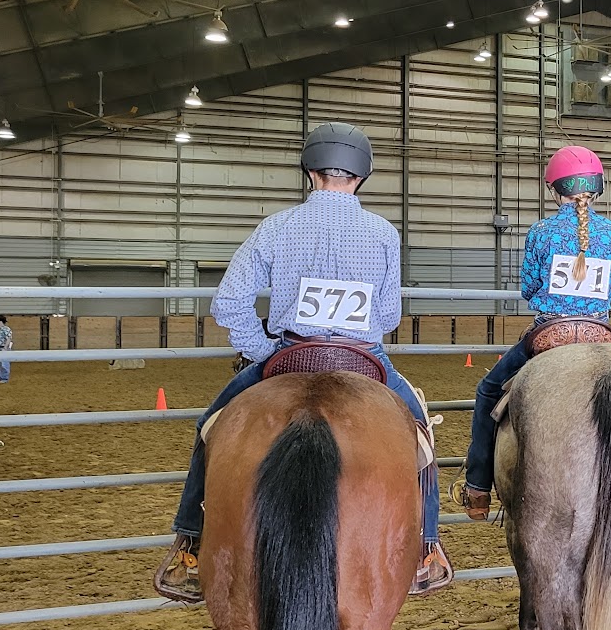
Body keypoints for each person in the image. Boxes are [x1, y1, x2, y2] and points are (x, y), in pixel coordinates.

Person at [156, 122, 451, 604]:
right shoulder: (381, 232)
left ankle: (189, 543)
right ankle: (426, 548)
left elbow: (229, 302)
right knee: (418, 433)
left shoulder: (275, 227)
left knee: (211, 427)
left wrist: (264, 349)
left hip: (291, 353)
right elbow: (389, 315)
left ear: (310, 172)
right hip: (362, 357)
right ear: (362, 176)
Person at [460, 146, 611, 520]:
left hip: (551, 333)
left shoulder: (541, 231)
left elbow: (530, 289)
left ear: (554, 189)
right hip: (600, 331)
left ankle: (478, 487)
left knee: (487, 389)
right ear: (597, 190)